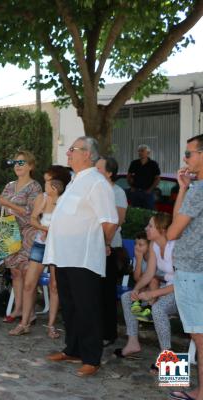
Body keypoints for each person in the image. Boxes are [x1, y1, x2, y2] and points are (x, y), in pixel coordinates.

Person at [44, 136, 118, 377]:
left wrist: (102, 244)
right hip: (65, 256)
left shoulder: (97, 183)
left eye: (72, 149)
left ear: (87, 154)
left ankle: (91, 358)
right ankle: (73, 349)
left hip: (83, 258)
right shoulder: (76, 181)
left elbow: (109, 221)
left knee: (87, 308)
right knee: (71, 306)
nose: (68, 154)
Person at [9, 165, 70, 338]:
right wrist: (45, 229)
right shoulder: (41, 198)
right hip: (41, 244)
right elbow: (33, 219)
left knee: (55, 285)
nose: (45, 184)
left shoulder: (66, 200)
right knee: (29, 283)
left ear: (57, 183)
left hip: (58, 246)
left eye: (48, 181)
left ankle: (51, 326)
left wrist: (53, 231)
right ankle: (24, 323)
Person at [115, 214, 177, 375]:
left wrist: (153, 294)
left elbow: (181, 284)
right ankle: (133, 342)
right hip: (167, 287)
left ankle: (167, 358)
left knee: (158, 309)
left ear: (162, 230)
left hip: (183, 292)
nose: (146, 229)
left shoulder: (176, 247)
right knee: (127, 297)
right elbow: (149, 273)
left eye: (150, 226)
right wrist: (137, 289)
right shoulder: (155, 245)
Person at [0, 150, 42, 323]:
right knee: (15, 273)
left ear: (31, 166)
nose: (17, 165)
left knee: (26, 274)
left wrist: (7, 202)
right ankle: (18, 309)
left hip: (28, 233)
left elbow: (32, 212)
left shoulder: (35, 187)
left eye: (21, 162)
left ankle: (29, 313)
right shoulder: (10, 185)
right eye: (16, 162)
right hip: (9, 232)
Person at [166, 134, 203, 400]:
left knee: (199, 338)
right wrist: (183, 187)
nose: (184, 158)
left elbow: (172, 232)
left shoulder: (199, 191)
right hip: (195, 270)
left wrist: (187, 190)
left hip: (191, 271)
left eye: (189, 154)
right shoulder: (195, 189)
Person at [95, 156, 128, 346]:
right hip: (94, 246)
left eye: (98, 168)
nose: (95, 171)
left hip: (109, 247)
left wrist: (106, 242)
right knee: (95, 291)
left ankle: (108, 333)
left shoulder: (117, 192)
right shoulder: (95, 191)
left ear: (109, 173)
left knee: (106, 291)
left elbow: (118, 220)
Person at [127, 144, 161, 210]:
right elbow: (128, 176)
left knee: (149, 213)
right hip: (136, 192)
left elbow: (157, 178)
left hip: (148, 193)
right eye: (139, 151)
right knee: (135, 211)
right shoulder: (134, 163)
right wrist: (132, 187)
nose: (140, 153)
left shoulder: (153, 164)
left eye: (142, 151)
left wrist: (150, 190)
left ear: (148, 152)